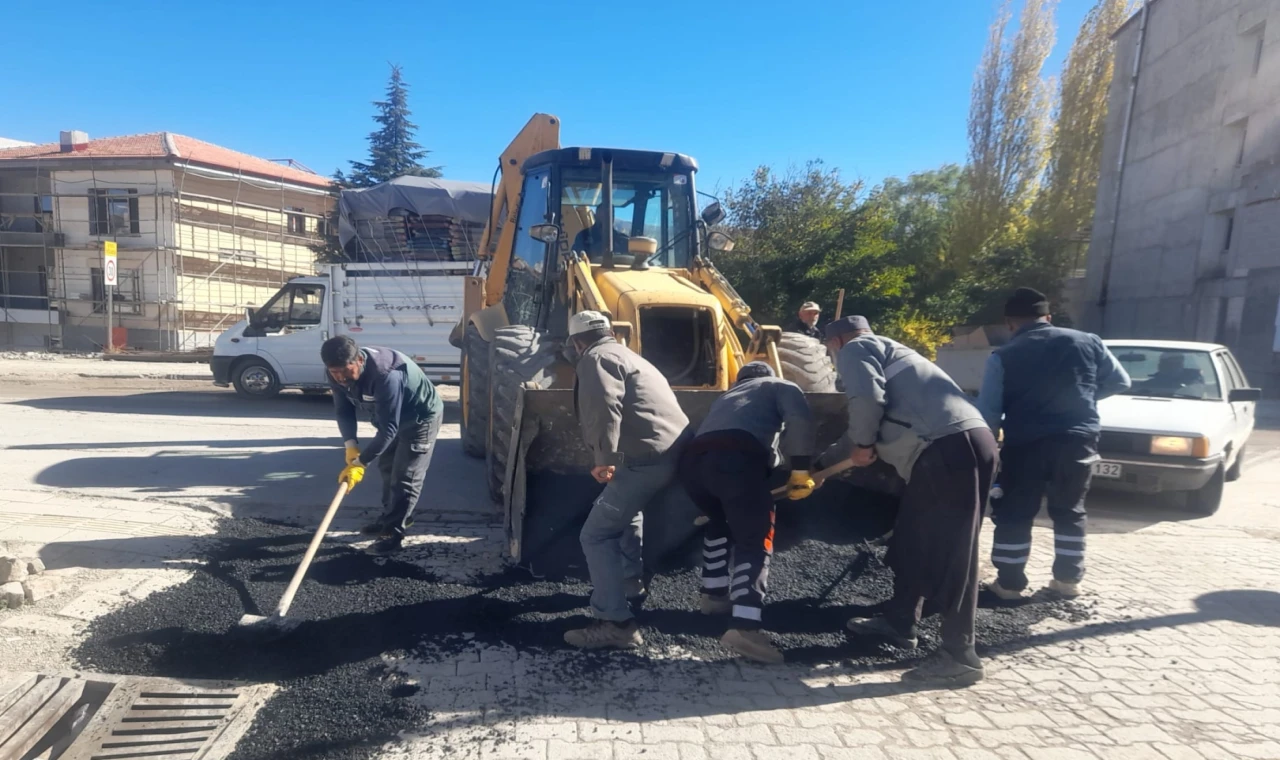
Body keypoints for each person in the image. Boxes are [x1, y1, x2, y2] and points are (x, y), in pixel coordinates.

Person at [821, 315, 997, 687]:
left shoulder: (856, 348)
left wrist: (863, 444)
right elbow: (867, 422)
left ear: (835, 342)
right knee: (913, 537)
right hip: (959, 444)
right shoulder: (893, 351)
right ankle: (900, 621)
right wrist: (824, 464)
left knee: (953, 551)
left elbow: (866, 400)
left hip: (947, 449)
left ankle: (960, 655)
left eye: (828, 351)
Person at [976, 287, 1132, 600]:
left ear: (1009, 323)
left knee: (1016, 512)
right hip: (1078, 441)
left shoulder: (1003, 356)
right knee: (1070, 511)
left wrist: (985, 452)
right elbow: (1121, 381)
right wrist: (1084, 397)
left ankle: (1009, 585)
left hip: (1026, 445)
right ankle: (1067, 581)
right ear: (1048, 317)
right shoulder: (1089, 341)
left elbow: (989, 413)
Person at [564, 310, 690, 650]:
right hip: (672, 453)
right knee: (626, 510)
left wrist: (604, 459)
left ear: (577, 342)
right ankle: (629, 584)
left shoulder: (596, 358)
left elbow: (604, 406)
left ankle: (616, 624)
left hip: (646, 461)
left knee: (596, 534)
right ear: (609, 331)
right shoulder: (628, 355)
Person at [677, 362, 816, 664]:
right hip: (736, 460)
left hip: (693, 467)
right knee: (755, 538)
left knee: (719, 522)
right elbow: (799, 420)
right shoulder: (781, 386)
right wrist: (801, 468)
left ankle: (713, 597)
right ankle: (745, 626)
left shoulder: (726, 398)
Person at [323, 336, 444, 555]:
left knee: (406, 476)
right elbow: (343, 410)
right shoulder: (334, 371)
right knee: (387, 468)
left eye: (345, 371)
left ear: (359, 360)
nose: (340, 378)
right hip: (389, 418)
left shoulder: (385, 374)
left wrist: (360, 464)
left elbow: (389, 430)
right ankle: (393, 517)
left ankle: (392, 534)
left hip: (420, 419)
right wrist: (350, 445)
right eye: (335, 372)